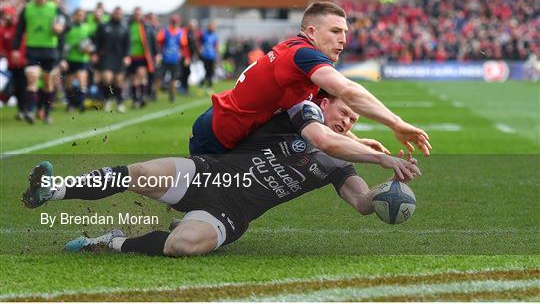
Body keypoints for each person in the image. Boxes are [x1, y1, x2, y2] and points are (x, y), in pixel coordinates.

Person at [22, 95, 420, 257]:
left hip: (232, 212)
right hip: (208, 175)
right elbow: (326, 141)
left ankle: (113, 242)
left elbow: (360, 202)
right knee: (140, 173)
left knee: (183, 245)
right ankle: (51, 189)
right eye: (344, 112)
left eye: (354, 119)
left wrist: (388, 193)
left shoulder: (343, 163)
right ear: (326, 102)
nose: (348, 121)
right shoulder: (301, 113)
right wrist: (379, 157)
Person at [190, 2, 432, 157]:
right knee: (209, 210)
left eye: (345, 33)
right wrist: (396, 123)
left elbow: (318, 114)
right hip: (215, 136)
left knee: (216, 209)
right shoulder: (302, 54)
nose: (344, 40)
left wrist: (358, 141)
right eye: (335, 31)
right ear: (312, 32)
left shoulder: (304, 63)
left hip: (231, 136)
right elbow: (348, 91)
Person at [12, 0, 66, 124]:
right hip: (33, 50)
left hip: (50, 51)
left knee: (48, 83)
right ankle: (30, 110)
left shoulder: (54, 8)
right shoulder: (27, 8)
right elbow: (19, 30)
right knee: (32, 79)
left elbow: (66, 25)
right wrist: (16, 49)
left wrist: (60, 28)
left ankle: (46, 113)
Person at [94, 6, 130, 113]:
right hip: (106, 57)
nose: (118, 15)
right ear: (112, 14)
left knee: (119, 81)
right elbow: (97, 41)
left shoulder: (124, 27)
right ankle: (107, 100)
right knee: (107, 78)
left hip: (119, 57)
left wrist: (127, 56)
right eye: (116, 13)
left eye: (120, 13)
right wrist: (95, 54)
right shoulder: (104, 26)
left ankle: (119, 103)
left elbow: (127, 44)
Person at [60, 8, 93, 112]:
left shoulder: (87, 28)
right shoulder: (69, 28)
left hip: (82, 59)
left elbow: (92, 43)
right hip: (69, 59)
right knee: (69, 83)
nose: (80, 17)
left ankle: (81, 103)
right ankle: (70, 104)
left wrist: (88, 48)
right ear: (74, 16)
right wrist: (65, 48)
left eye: (81, 15)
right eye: (78, 15)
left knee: (81, 80)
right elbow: (62, 40)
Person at [156, 14, 190, 102]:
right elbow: (158, 42)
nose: (175, 23)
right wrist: (158, 54)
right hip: (165, 58)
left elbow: (184, 46)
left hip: (175, 59)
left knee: (174, 78)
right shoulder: (165, 31)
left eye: (176, 22)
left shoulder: (181, 32)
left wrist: (186, 57)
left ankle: (172, 94)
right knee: (159, 76)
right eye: (173, 22)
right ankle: (155, 94)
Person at [127, 7, 157, 108]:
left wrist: (156, 54)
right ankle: (136, 99)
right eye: (136, 14)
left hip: (142, 55)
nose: (137, 16)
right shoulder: (128, 25)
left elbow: (153, 41)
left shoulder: (146, 26)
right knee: (134, 78)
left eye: (139, 14)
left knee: (141, 75)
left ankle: (142, 97)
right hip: (130, 56)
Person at [199, 20, 219, 91]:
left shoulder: (215, 35)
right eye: (211, 26)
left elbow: (216, 45)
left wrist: (216, 54)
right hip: (205, 56)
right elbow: (199, 43)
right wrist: (200, 50)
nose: (213, 28)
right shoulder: (204, 34)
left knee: (211, 71)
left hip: (212, 56)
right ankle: (205, 85)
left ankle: (207, 85)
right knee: (206, 71)